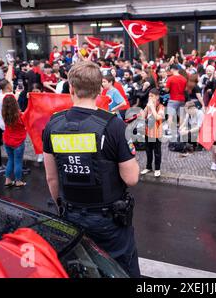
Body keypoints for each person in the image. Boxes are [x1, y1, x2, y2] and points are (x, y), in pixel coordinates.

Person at [43, 61, 140, 277]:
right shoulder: (114, 125)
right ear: (100, 90)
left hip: (71, 214)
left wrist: (61, 206)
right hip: (108, 220)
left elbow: (51, 178)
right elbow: (131, 178)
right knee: (122, 269)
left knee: (81, 269)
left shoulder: (53, 125)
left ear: (71, 88)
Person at [2, 95, 27, 188]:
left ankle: (7, 180)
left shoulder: (4, 113)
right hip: (18, 142)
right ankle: (18, 181)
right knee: (18, 162)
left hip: (7, 140)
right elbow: (26, 123)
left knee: (10, 160)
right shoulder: (20, 116)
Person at [139, 89, 165, 178]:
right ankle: (148, 167)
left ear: (157, 97)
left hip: (157, 133)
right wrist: (146, 108)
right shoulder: (149, 106)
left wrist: (152, 107)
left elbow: (158, 117)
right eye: (149, 96)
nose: (150, 98)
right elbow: (143, 116)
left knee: (157, 152)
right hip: (148, 132)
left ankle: (157, 169)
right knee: (148, 151)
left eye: (152, 96)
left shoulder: (161, 107)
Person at [164, 65, 187, 136]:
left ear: (172, 70)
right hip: (182, 99)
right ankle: (181, 130)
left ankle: (170, 130)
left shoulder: (170, 78)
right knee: (181, 116)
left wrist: (165, 87)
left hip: (173, 99)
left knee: (170, 116)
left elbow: (166, 90)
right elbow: (185, 90)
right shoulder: (184, 79)